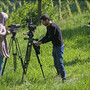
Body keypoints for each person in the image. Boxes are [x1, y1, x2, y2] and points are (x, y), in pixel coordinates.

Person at [34, 14, 66, 82]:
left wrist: (41, 43)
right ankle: (59, 75)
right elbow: (46, 36)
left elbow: (51, 38)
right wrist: (40, 41)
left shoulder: (53, 27)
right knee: (55, 63)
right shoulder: (48, 27)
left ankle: (64, 79)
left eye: (43, 22)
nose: (42, 23)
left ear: (47, 20)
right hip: (55, 46)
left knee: (60, 63)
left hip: (59, 46)